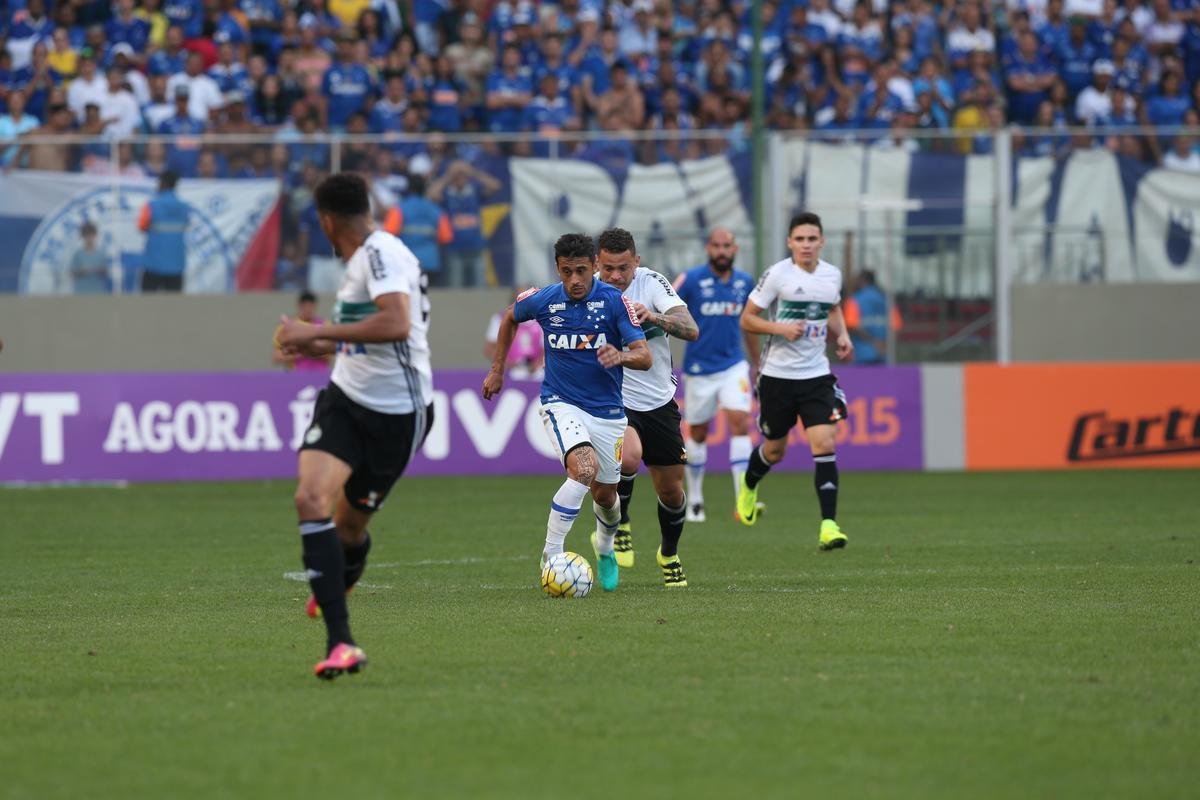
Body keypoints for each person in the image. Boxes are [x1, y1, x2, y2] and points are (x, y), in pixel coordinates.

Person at [273, 172, 433, 680]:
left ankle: (340, 576)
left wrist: (317, 330)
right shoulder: (362, 262)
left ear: (325, 222)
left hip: (397, 415)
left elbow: (396, 324)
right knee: (310, 500)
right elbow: (361, 338)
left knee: (348, 530)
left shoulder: (380, 252)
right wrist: (312, 345)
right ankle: (341, 643)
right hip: (346, 398)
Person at [482, 233, 650, 593]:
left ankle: (604, 547)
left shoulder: (615, 302)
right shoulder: (544, 300)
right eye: (566, 272)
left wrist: (620, 356)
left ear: (594, 268)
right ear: (558, 270)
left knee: (607, 497)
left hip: (607, 412)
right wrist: (497, 370)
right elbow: (510, 319)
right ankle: (551, 556)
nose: (574, 280)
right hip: (560, 402)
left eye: (581, 271)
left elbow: (644, 354)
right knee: (583, 468)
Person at [736, 212, 854, 550]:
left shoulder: (832, 274)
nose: (806, 245)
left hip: (816, 374)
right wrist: (781, 329)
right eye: (799, 239)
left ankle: (829, 526)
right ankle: (749, 485)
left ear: (821, 241)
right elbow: (748, 320)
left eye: (812, 239)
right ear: (790, 242)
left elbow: (832, 307)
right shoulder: (777, 275)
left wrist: (842, 335)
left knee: (825, 444)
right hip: (778, 377)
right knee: (775, 450)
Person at [595, 228, 699, 587]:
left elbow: (690, 329)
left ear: (636, 263)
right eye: (608, 268)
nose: (615, 276)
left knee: (671, 491)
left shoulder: (652, 284)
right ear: (597, 263)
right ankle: (620, 523)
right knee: (628, 457)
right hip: (613, 398)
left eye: (623, 268)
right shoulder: (588, 293)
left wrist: (654, 317)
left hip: (658, 401)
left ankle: (668, 553)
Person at [672, 227, 761, 523]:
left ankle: (743, 501)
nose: (722, 251)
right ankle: (695, 500)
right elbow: (667, 306)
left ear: (735, 249)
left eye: (727, 246)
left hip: (733, 364)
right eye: (717, 245)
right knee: (697, 433)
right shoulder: (692, 279)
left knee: (740, 421)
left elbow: (749, 324)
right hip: (699, 369)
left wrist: (757, 361)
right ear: (709, 248)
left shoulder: (744, 282)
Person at [383, 175, 453, 284]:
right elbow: (446, 237)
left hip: (405, 264)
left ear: (409, 189)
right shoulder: (436, 211)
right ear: (424, 189)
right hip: (430, 263)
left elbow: (388, 235)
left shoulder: (398, 209)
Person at [137, 170, 191, 292]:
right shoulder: (184, 207)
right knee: (174, 307)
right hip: (176, 264)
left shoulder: (151, 206)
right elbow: (186, 224)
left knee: (146, 305)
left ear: (163, 184)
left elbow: (141, 226)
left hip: (153, 264)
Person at [842, 270, 903, 365]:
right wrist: (884, 344)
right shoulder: (887, 300)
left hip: (862, 354)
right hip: (884, 353)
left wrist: (874, 343)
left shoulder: (854, 300)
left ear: (862, 281)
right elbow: (896, 327)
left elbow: (852, 326)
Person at [484, 288, 544, 379]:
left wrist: (537, 364)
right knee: (516, 375)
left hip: (536, 371)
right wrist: (507, 364)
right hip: (510, 371)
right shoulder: (500, 319)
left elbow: (547, 348)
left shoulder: (542, 320)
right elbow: (489, 348)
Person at [272, 291, 332, 370]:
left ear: (315, 306)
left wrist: (307, 348)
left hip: (321, 376)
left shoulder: (325, 325)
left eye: (310, 306)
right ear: (299, 306)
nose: (307, 309)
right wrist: (301, 352)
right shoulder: (288, 327)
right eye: (305, 306)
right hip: (297, 376)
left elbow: (331, 353)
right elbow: (277, 357)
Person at [69, 221, 110, 294]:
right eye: (87, 235)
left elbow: (107, 273)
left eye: (91, 235)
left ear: (95, 235)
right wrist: (81, 272)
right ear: (83, 237)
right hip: (80, 293)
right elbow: (71, 273)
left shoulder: (101, 253)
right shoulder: (78, 254)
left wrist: (101, 270)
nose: (89, 238)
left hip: (98, 292)